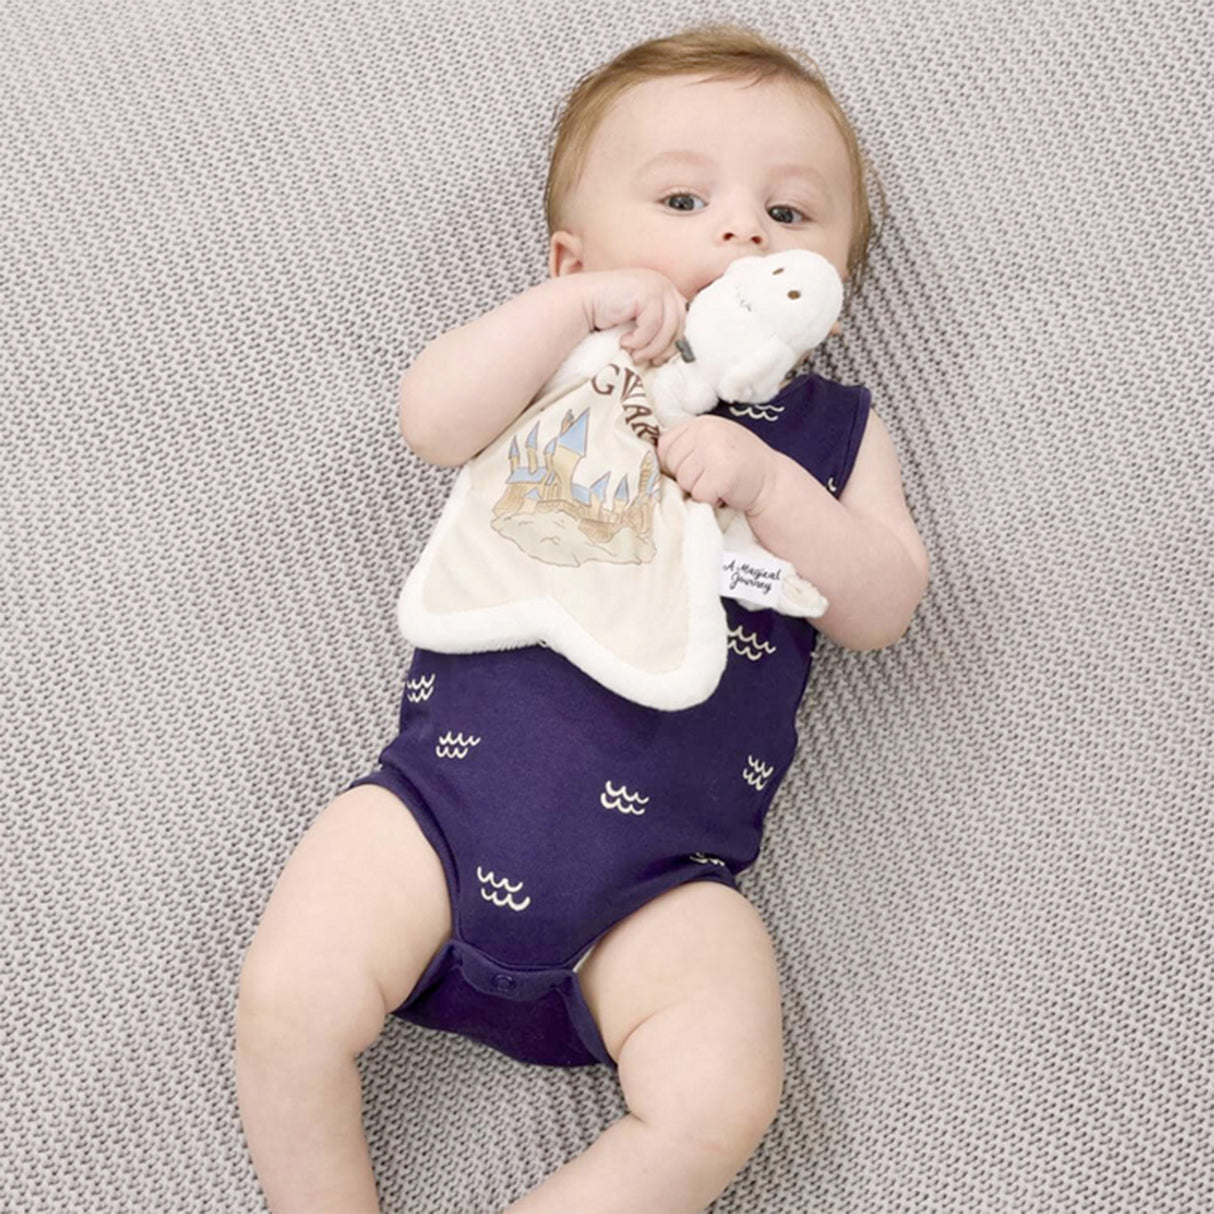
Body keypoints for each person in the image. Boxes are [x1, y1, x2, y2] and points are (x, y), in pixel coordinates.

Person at [235, 21, 930, 1214]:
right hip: (434, 812)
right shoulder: (559, 353)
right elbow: (430, 418)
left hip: (659, 886)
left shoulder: (836, 431)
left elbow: (883, 602)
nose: (741, 229)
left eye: (792, 213)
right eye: (680, 195)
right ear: (570, 255)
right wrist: (572, 316)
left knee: (722, 1093)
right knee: (284, 998)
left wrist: (771, 491)